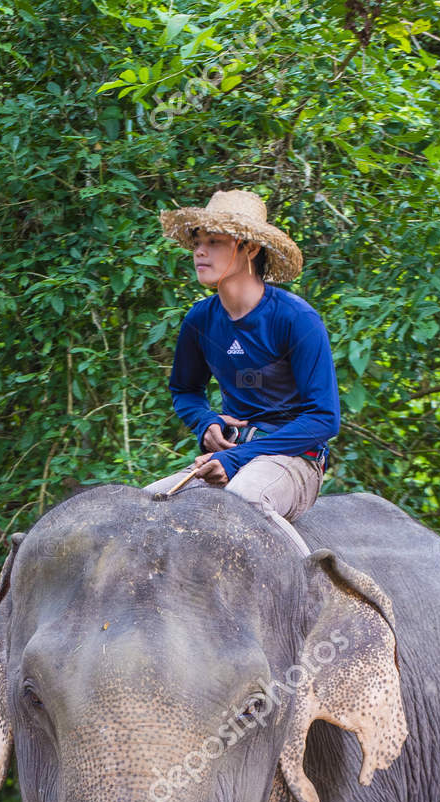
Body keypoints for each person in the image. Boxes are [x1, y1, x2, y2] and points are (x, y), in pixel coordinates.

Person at [146, 189, 341, 552]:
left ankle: (313, 592)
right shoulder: (200, 320)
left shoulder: (295, 319)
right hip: (231, 455)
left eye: (214, 241)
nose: (199, 251)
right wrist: (206, 422)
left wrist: (236, 457)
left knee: (241, 503)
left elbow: (324, 419)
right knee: (144, 508)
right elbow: (185, 390)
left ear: (250, 248)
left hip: (295, 459)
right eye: (197, 241)